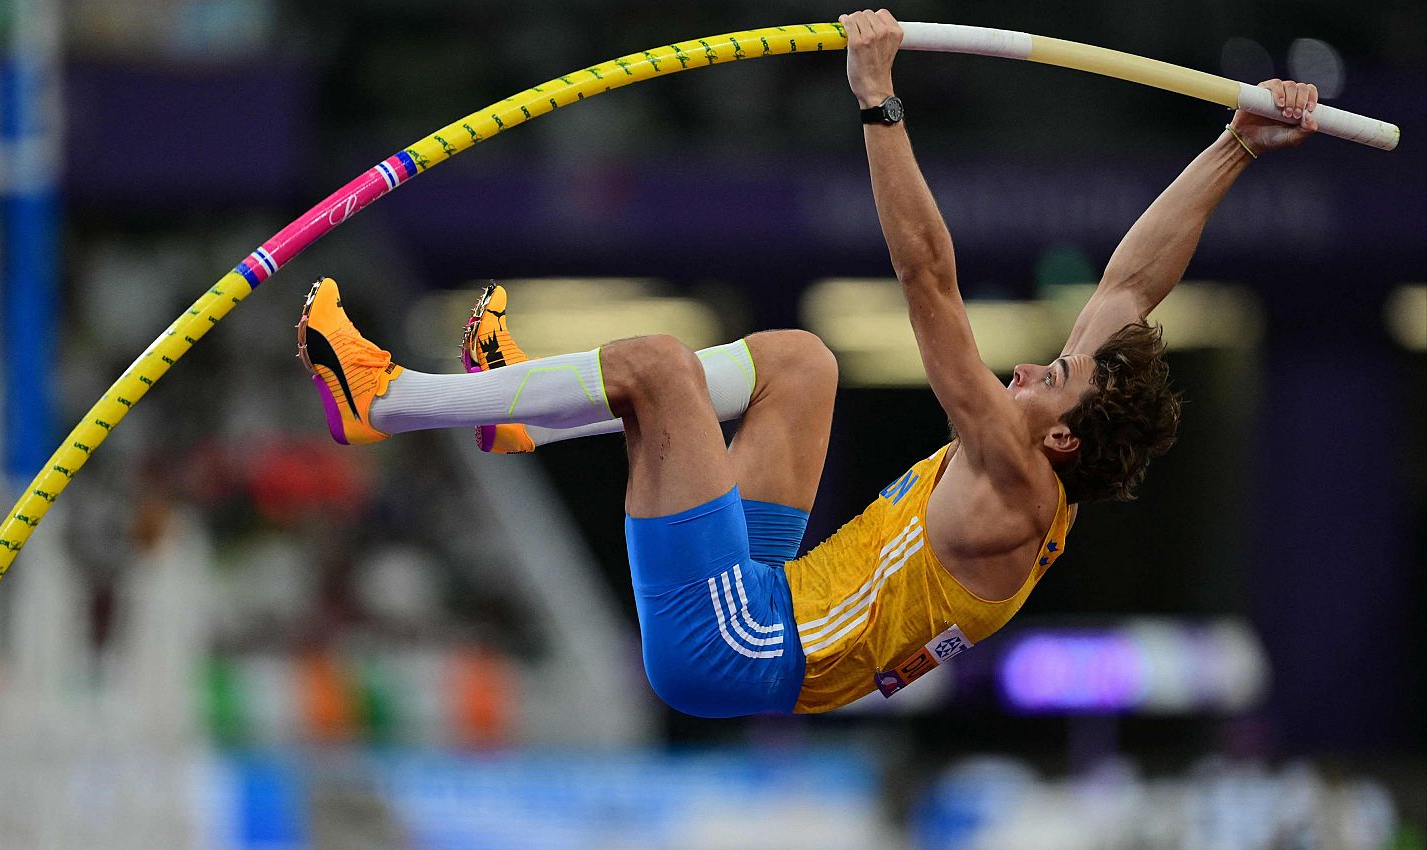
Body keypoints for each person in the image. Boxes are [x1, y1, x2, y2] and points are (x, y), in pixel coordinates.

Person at [295, 9, 1320, 716]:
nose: (1027, 372)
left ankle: (390, 403)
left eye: (1048, 380)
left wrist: (876, 98)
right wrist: (1233, 145)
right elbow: (1130, 291)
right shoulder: (1054, 441)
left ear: (1056, 435)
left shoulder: (1012, 485)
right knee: (799, 363)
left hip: (738, 650)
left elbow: (926, 280)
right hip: (768, 593)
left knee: (659, 367)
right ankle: (527, 414)